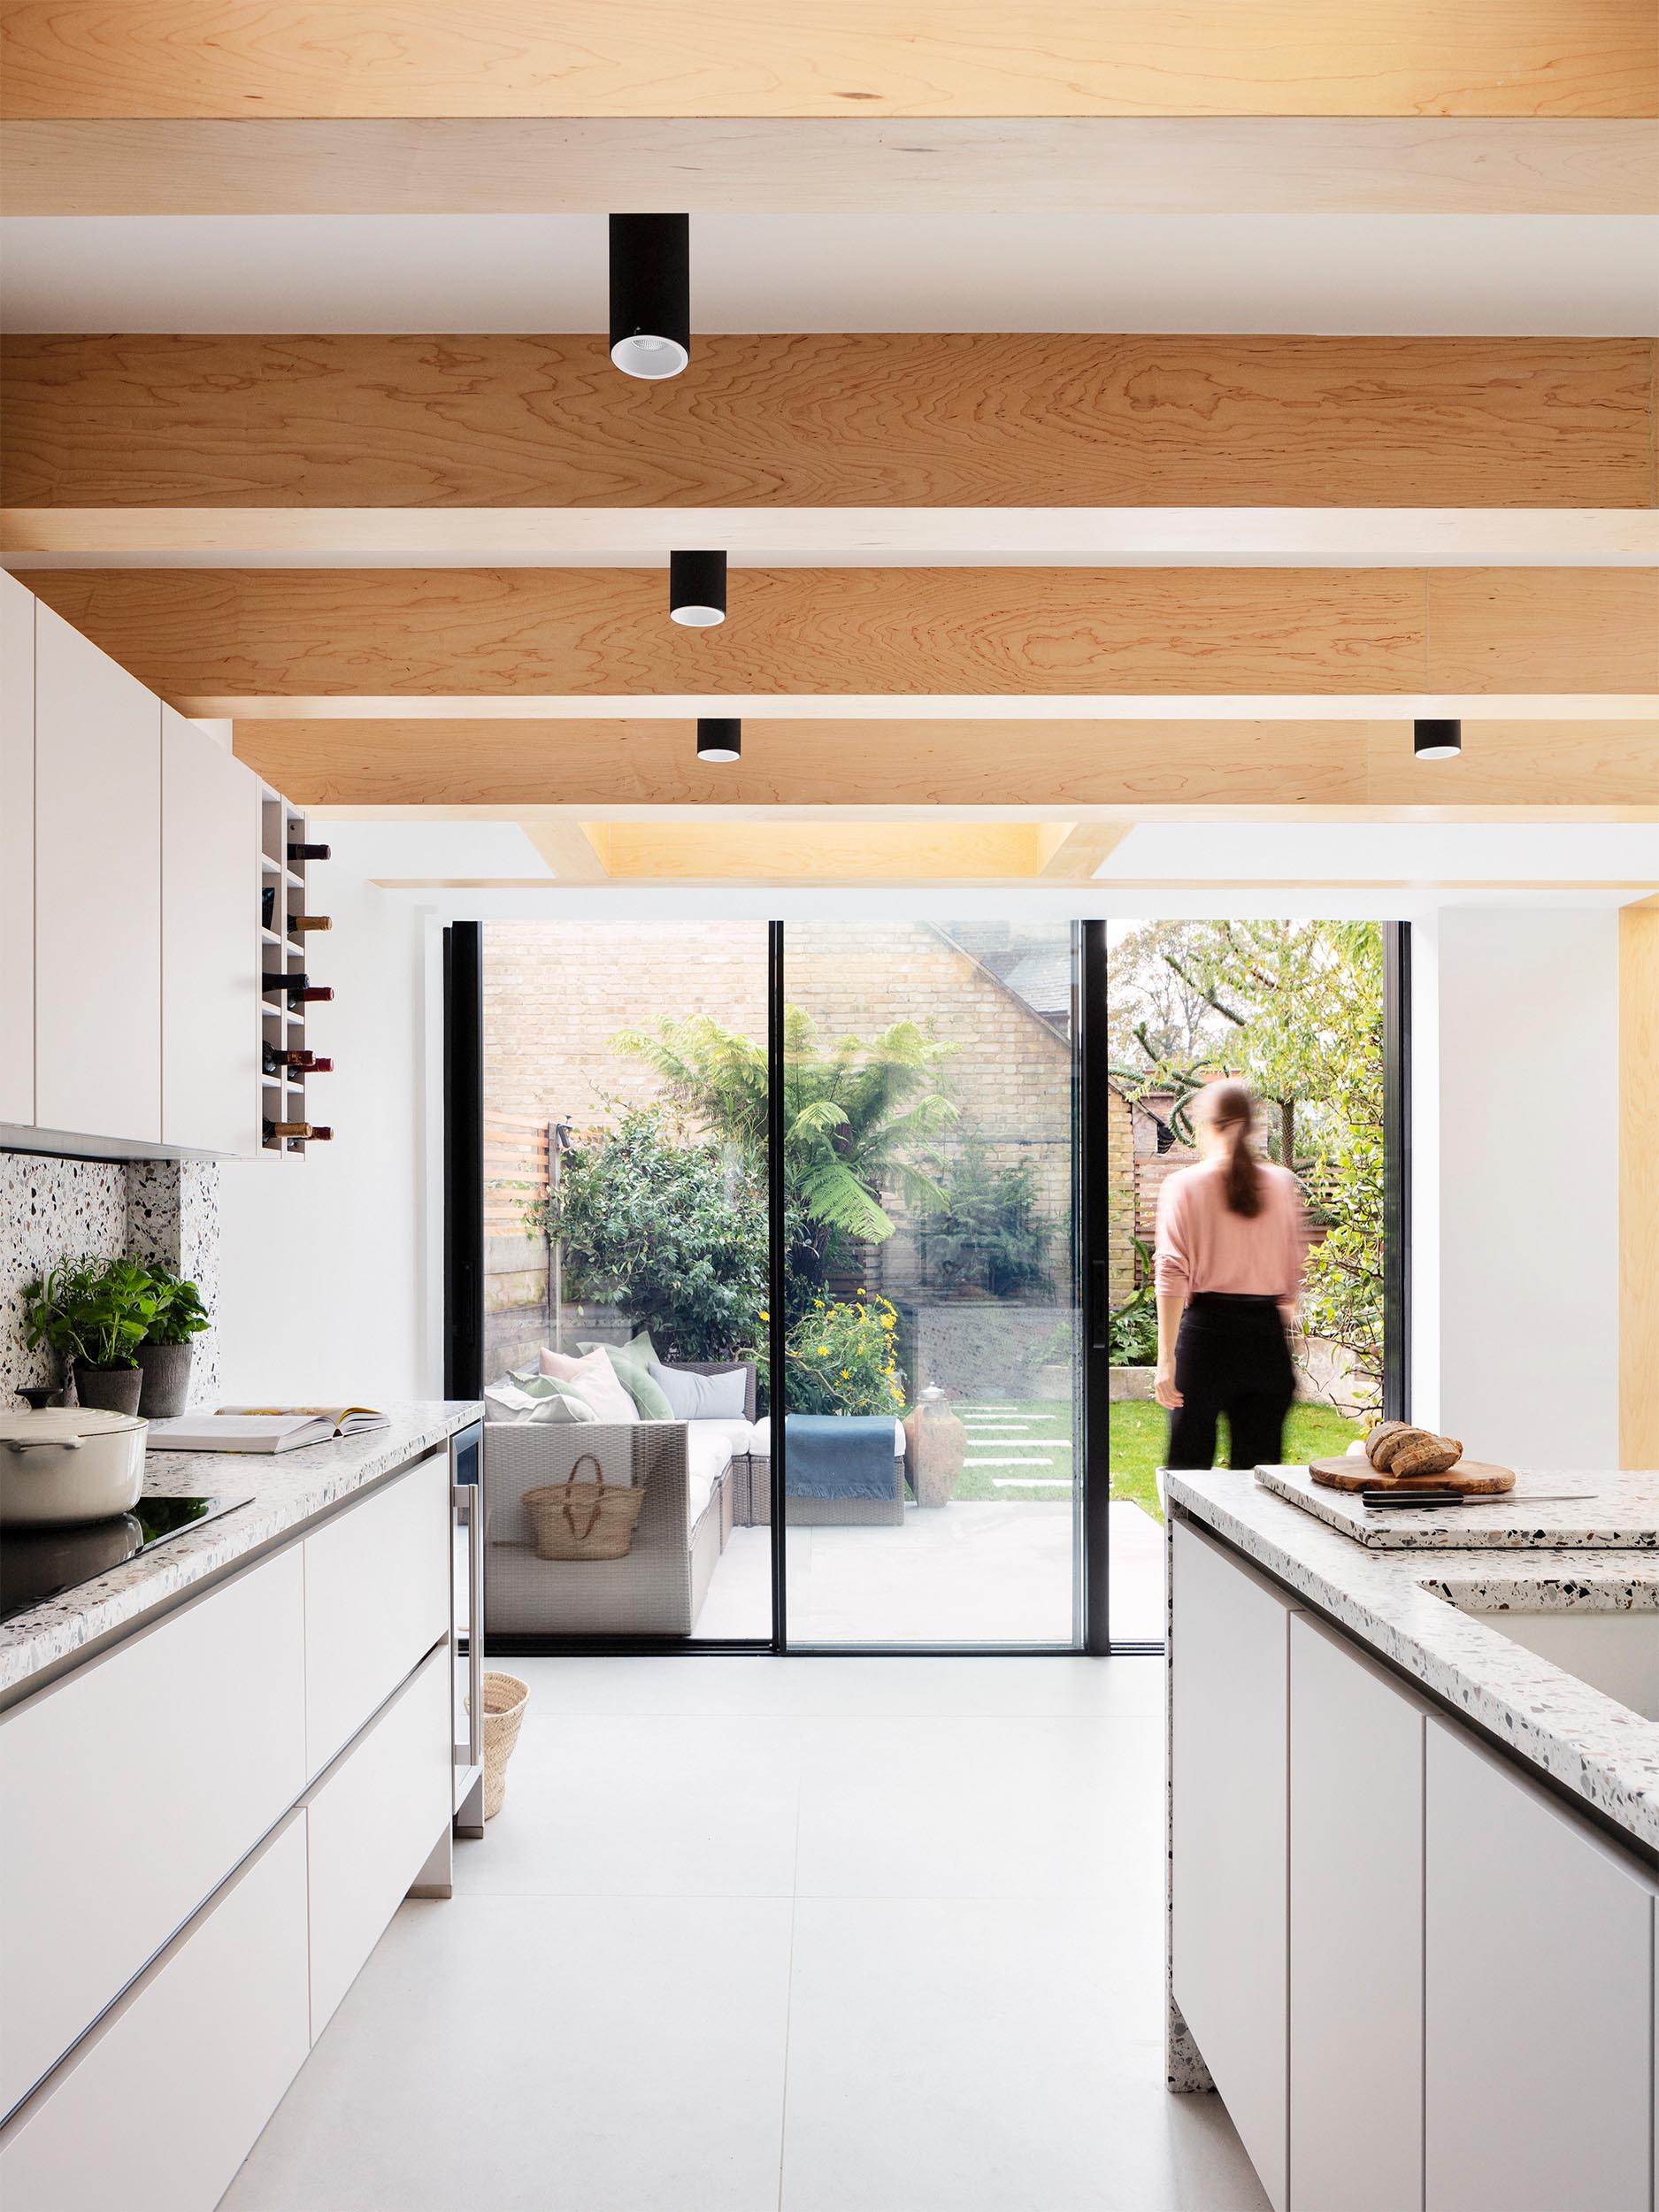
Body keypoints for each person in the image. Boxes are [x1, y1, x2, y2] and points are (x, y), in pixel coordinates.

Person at [1152, 1078, 1309, 1471]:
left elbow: (1172, 1274)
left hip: (1207, 1338)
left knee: (1188, 1475)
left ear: (1206, 1128)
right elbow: (1293, 1277)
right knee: (1258, 1483)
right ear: (1252, 1125)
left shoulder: (1183, 1186)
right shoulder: (1282, 1184)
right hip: (1265, 1339)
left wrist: (1166, 1359)